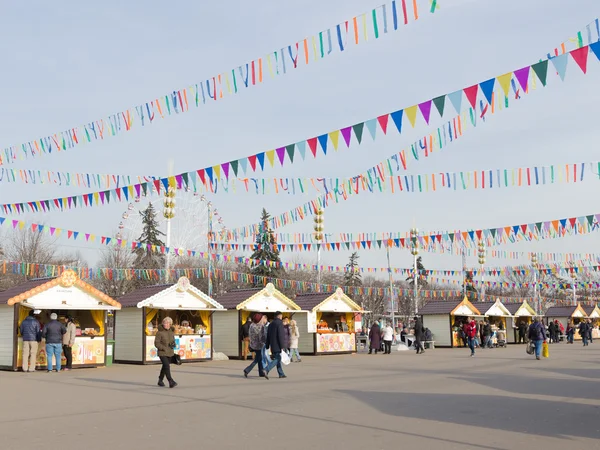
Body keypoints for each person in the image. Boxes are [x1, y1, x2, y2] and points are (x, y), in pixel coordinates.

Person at [154, 317, 177, 388]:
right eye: (165, 323)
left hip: (170, 352)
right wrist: (163, 348)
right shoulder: (159, 332)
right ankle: (171, 381)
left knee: (165, 366)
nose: (166, 324)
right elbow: (156, 343)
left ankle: (160, 380)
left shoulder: (171, 331)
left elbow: (173, 340)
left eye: (168, 323)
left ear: (170, 324)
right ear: (163, 323)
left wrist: (174, 344)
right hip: (162, 352)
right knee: (167, 366)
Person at [244, 314, 268, 378]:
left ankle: (261, 372)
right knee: (257, 359)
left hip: (253, 344)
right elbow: (261, 337)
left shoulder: (252, 325)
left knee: (259, 358)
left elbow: (250, 334)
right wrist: (265, 342)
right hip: (259, 345)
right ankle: (247, 370)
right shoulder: (261, 326)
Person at [265, 311, 287, 379]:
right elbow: (280, 335)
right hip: (278, 344)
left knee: (278, 358)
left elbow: (268, 335)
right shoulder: (280, 323)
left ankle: (281, 373)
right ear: (279, 316)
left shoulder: (271, 324)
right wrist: (282, 346)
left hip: (272, 345)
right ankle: (266, 369)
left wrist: (267, 344)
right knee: (278, 358)